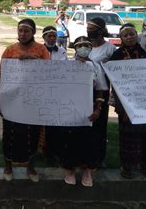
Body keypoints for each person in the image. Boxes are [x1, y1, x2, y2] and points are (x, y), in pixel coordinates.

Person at [0, 19, 50, 183]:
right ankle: (8, 167)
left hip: (33, 100)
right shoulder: (9, 50)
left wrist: (34, 61)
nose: (22, 34)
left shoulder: (41, 50)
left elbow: (50, 73)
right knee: (10, 133)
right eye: (20, 31)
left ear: (33, 33)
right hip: (12, 101)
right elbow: (2, 76)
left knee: (32, 134)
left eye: (26, 31)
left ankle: (30, 167)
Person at [46, 36, 105, 187]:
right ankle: (69, 169)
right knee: (69, 140)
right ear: (75, 47)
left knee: (89, 140)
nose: (84, 48)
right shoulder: (67, 65)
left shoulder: (96, 67)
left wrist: (98, 109)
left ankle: (87, 170)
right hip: (70, 109)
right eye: (80, 45)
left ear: (91, 48)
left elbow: (100, 90)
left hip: (89, 110)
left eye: (87, 45)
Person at [109, 23, 146, 180]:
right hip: (126, 102)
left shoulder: (145, 53)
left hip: (145, 102)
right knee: (128, 136)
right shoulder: (117, 55)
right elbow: (114, 82)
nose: (129, 37)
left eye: (132, 34)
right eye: (126, 35)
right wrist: (122, 106)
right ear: (121, 38)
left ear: (137, 35)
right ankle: (127, 166)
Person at [87, 17, 117, 167]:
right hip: (85, 91)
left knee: (100, 125)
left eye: (92, 28)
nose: (88, 30)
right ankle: (86, 155)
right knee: (86, 123)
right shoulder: (85, 45)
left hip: (102, 91)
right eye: (88, 27)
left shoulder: (110, 49)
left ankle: (100, 157)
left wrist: (113, 94)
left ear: (100, 30)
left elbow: (115, 72)